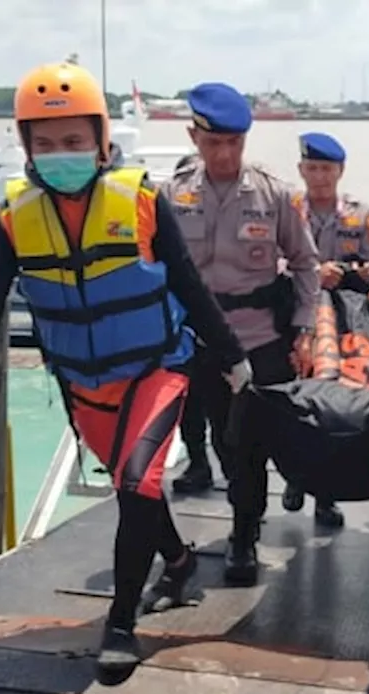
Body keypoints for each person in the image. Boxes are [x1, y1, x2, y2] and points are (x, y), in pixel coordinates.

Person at [0, 61, 250, 680]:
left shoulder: (145, 202)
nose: (61, 155)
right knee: (139, 488)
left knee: (136, 481)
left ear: (102, 140)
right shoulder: (9, 222)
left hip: (157, 368)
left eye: (74, 141)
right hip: (82, 384)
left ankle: (121, 623)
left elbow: (189, 286)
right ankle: (179, 563)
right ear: (25, 148)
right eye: (44, 144)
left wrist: (232, 357)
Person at [161, 82, 320, 586]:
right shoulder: (173, 193)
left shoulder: (273, 196)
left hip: (258, 341)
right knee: (219, 439)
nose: (225, 154)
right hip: (199, 341)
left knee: (249, 441)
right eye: (213, 143)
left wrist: (304, 328)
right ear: (194, 137)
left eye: (234, 143)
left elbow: (306, 262)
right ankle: (242, 510)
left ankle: (244, 536)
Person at [274, 131, 369, 527]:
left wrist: (350, 274)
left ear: (340, 171)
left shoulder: (359, 213)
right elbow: (267, 261)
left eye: (327, 169)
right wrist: (306, 272)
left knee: (332, 402)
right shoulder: (285, 208)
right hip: (298, 317)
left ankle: (324, 494)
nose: (319, 176)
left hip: (343, 321)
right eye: (313, 168)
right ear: (302, 170)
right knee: (296, 396)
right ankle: (294, 478)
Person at [170, 151, 216, 493]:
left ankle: (240, 480)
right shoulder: (166, 216)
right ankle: (199, 463)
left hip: (227, 323)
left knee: (231, 411)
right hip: (182, 326)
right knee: (190, 403)